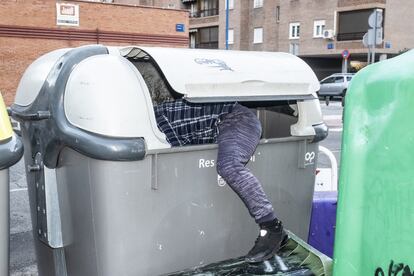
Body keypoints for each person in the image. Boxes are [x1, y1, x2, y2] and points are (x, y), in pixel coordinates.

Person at [154, 98, 286, 263]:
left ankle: (271, 227)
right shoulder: (158, 115)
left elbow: (178, 156)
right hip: (224, 124)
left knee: (229, 166)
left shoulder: (157, 121)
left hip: (236, 119)